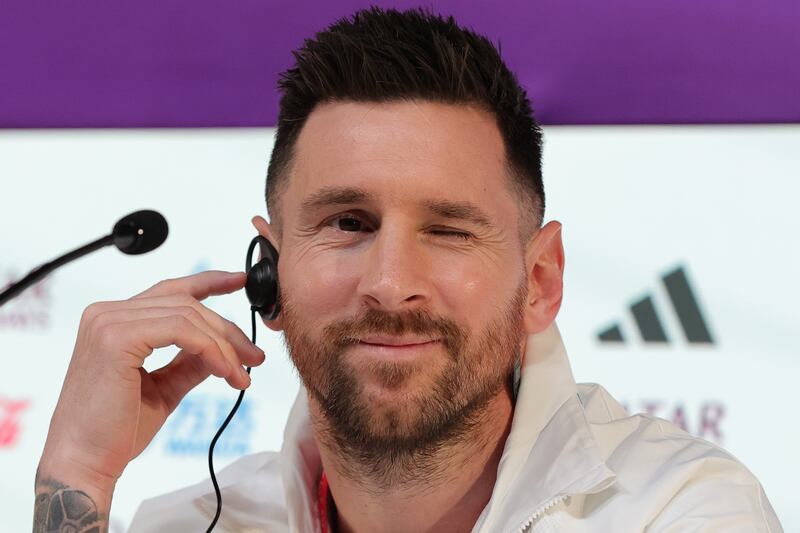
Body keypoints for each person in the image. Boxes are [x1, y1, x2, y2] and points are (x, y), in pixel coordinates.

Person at [34, 7, 782, 533]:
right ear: (270, 274)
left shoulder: (680, 511)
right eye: (348, 223)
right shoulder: (191, 524)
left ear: (542, 282)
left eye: (449, 230)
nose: (390, 283)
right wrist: (77, 474)